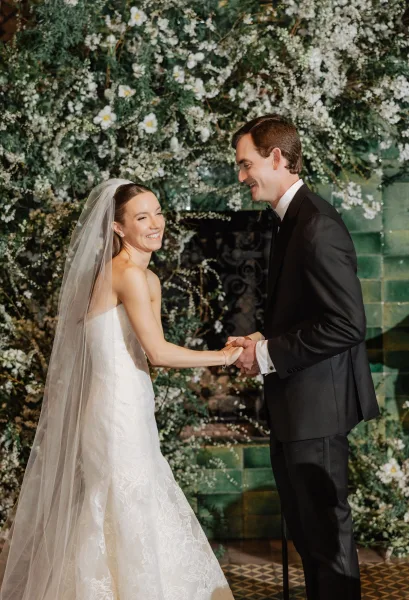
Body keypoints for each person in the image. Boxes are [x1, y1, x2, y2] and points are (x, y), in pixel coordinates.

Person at [0, 179, 240, 600]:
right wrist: (225, 356)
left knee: (134, 503)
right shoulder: (126, 274)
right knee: (124, 503)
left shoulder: (148, 280)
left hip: (134, 406)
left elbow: (151, 358)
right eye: (141, 217)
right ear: (117, 228)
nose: (155, 223)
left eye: (159, 213)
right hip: (114, 413)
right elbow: (160, 353)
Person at [226, 115, 380, 600]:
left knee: (327, 543)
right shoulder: (292, 219)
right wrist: (263, 340)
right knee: (311, 541)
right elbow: (309, 311)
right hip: (301, 406)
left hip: (318, 410)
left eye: (245, 164)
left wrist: (267, 354)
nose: (241, 176)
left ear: (276, 157)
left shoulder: (315, 225)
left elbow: (347, 323)